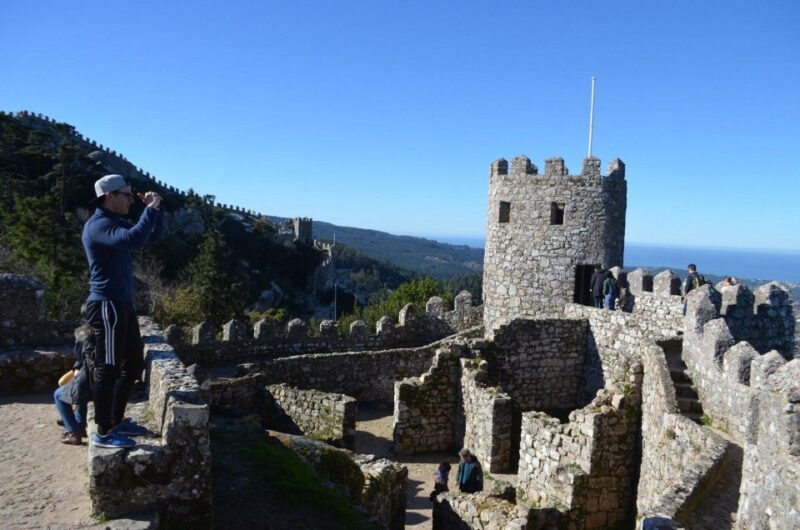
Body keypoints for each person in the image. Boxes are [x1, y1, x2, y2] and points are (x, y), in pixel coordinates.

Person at [82, 174, 163, 449]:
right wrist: (148, 209)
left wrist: (156, 210)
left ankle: (115, 420)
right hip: (107, 304)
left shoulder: (113, 222)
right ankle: (104, 432)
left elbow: (152, 236)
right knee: (108, 367)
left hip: (121, 303)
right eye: (126, 194)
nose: (131, 199)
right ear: (109, 196)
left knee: (133, 364)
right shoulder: (99, 225)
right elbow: (134, 239)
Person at [54, 325, 93, 445]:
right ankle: (79, 426)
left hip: (91, 381)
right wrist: (77, 368)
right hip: (93, 378)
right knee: (72, 388)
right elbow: (82, 360)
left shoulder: (88, 338)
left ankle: (73, 432)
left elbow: (85, 360)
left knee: (59, 394)